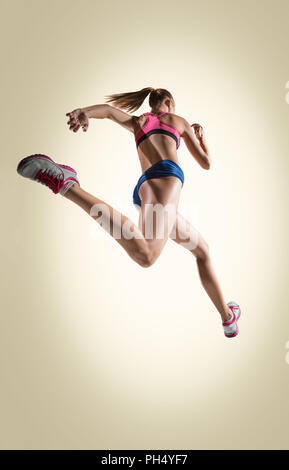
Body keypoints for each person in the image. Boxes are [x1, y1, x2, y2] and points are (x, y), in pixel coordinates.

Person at [16, 87, 241, 338]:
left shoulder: (139, 121)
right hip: (166, 179)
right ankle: (68, 186)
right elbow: (206, 163)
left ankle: (227, 317)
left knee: (202, 250)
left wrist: (84, 112)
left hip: (146, 190)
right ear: (169, 102)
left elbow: (110, 113)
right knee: (146, 256)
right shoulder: (178, 121)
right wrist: (200, 137)